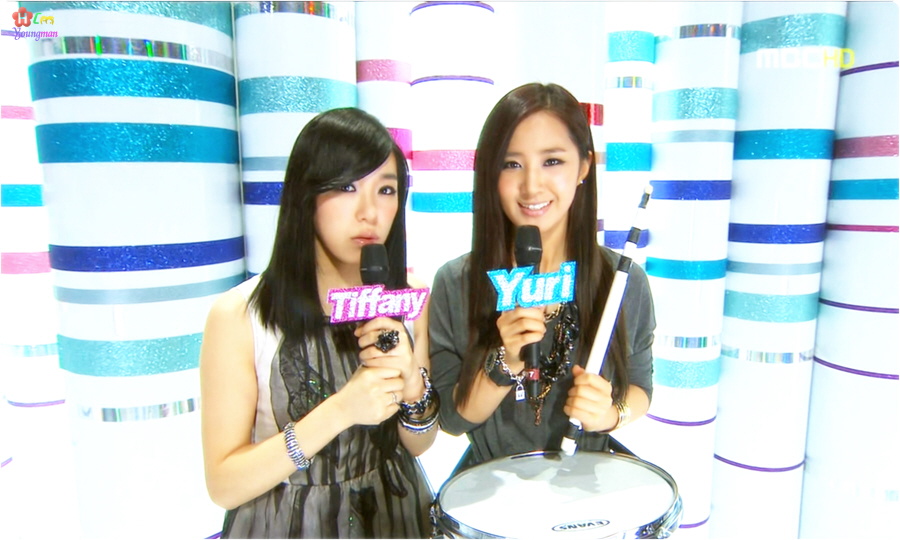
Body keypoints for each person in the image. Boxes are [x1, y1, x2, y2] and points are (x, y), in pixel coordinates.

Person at [200, 108, 437, 538]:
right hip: (288, 522)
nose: (370, 212)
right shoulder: (239, 316)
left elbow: (419, 444)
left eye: (386, 190)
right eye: (347, 187)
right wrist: (341, 411)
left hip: (395, 513)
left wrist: (412, 388)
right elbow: (224, 485)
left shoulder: (408, 297)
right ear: (306, 194)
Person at [429, 83, 655, 468]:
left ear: (583, 166)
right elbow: (452, 420)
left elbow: (641, 389)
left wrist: (610, 414)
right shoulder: (456, 282)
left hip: (589, 485)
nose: (531, 185)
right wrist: (506, 362)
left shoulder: (621, 280)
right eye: (511, 164)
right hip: (489, 486)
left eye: (552, 161)